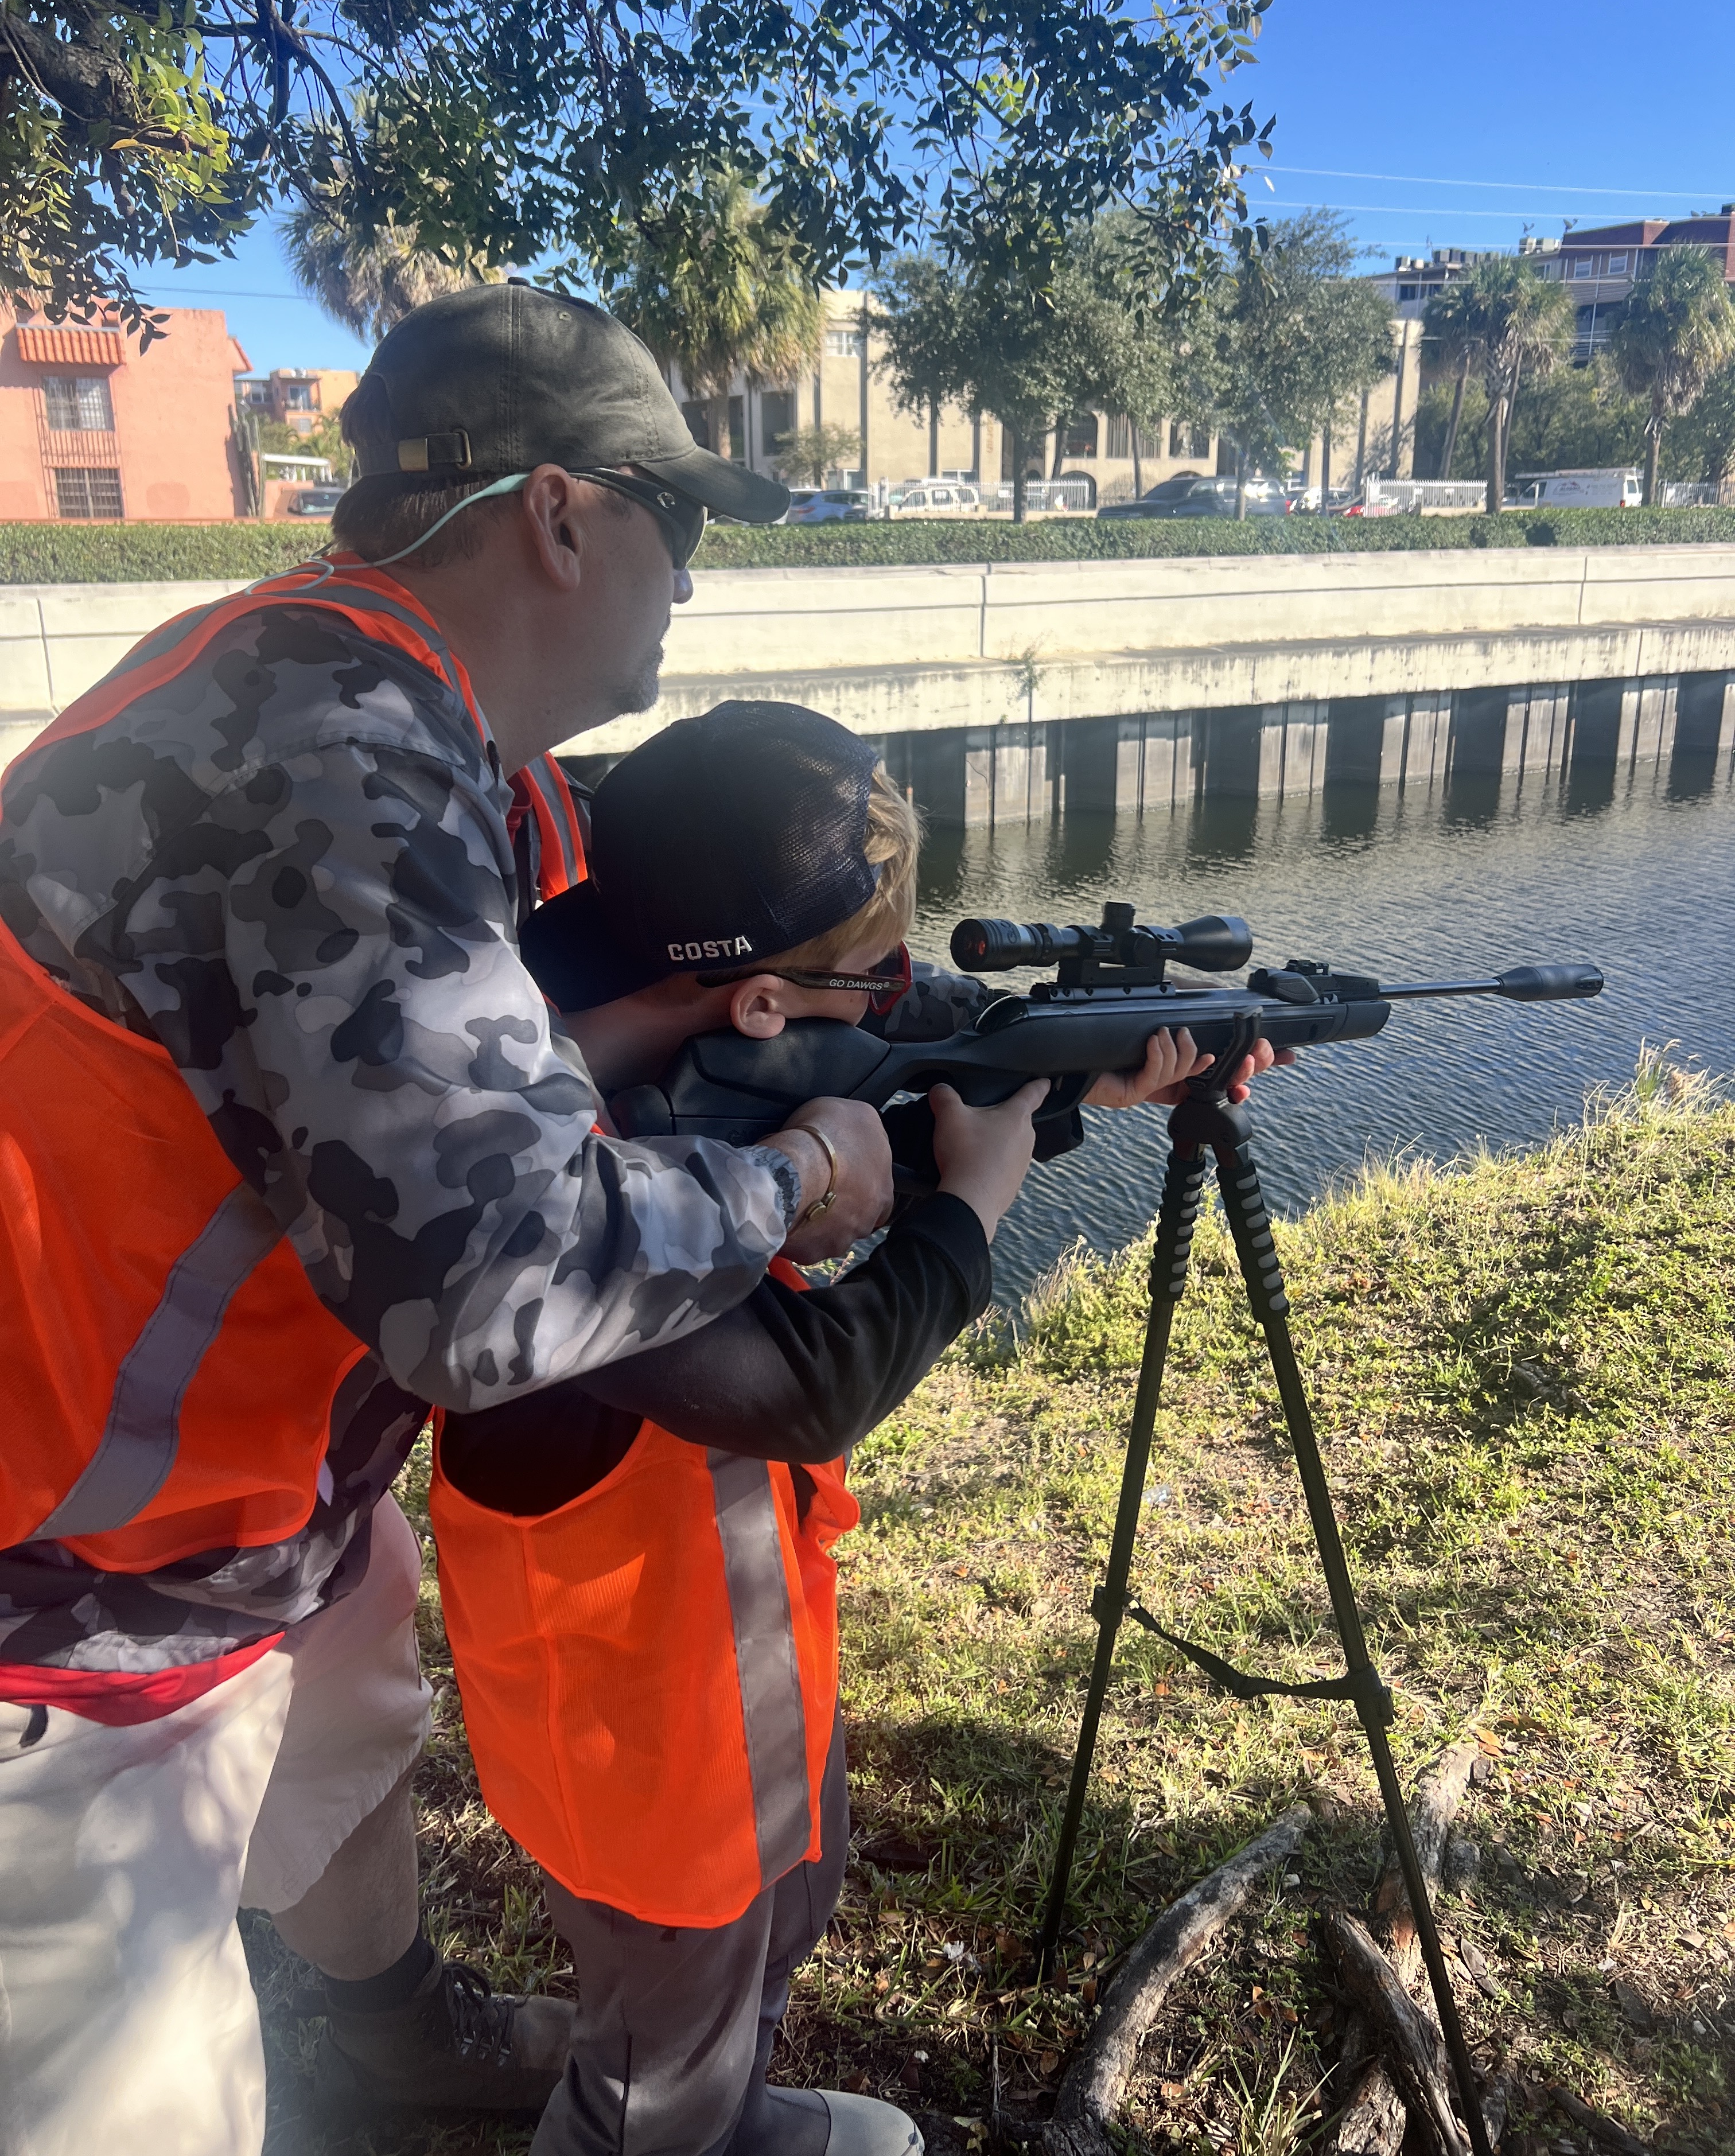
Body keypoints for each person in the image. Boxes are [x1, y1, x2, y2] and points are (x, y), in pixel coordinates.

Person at [0, 286, 899, 2155]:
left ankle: (388, 2025)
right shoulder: (348, 743)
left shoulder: (358, 701)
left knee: (348, 1712)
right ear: (563, 516)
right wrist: (800, 1182)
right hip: (67, 1596)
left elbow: (486, 1028)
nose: (692, 583)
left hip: (219, 1495)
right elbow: (494, 1292)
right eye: (686, 524)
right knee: (132, 2104)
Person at [425, 699, 1225, 2156]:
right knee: (657, 2038)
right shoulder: (557, 1170)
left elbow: (842, 1125)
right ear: (759, 1005)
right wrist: (976, 1206)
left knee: (779, 1911)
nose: (904, 995)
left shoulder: (595, 1016)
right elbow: (808, 1384)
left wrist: (1052, 1084)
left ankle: (734, 2112)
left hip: (730, 1668)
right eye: (879, 974)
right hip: (633, 1717)